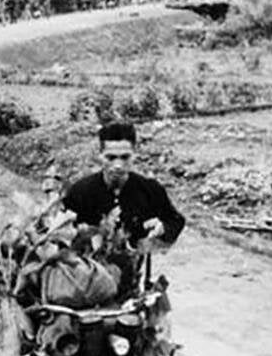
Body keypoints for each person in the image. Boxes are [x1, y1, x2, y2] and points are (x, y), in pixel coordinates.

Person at [61, 121, 185, 291]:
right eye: (110, 157)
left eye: (125, 157)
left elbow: (175, 220)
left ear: (135, 154)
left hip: (131, 279)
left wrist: (162, 227)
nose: (118, 165)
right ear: (100, 155)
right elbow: (61, 234)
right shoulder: (80, 192)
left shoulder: (150, 189)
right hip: (85, 281)